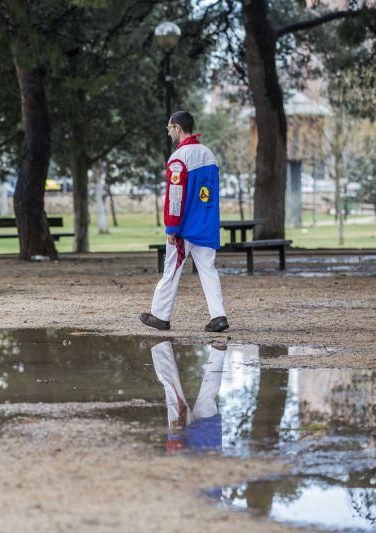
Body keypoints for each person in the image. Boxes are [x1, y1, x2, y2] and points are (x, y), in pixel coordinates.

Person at [140, 110, 229, 332]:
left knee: (171, 269)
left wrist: (172, 226)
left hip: (185, 226)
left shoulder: (179, 158)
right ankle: (218, 316)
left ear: (178, 128)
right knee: (208, 270)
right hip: (206, 224)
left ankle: (160, 315)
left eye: (170, 129)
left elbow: (175, 196)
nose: (169, 133)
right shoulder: (209, 154)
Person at [150, 340, 226, 453]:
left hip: (208, 439)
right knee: (173, 394)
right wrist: (176, 438)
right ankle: (160, 346)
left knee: (207, 395)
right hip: (185, 439)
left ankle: (219, 350)